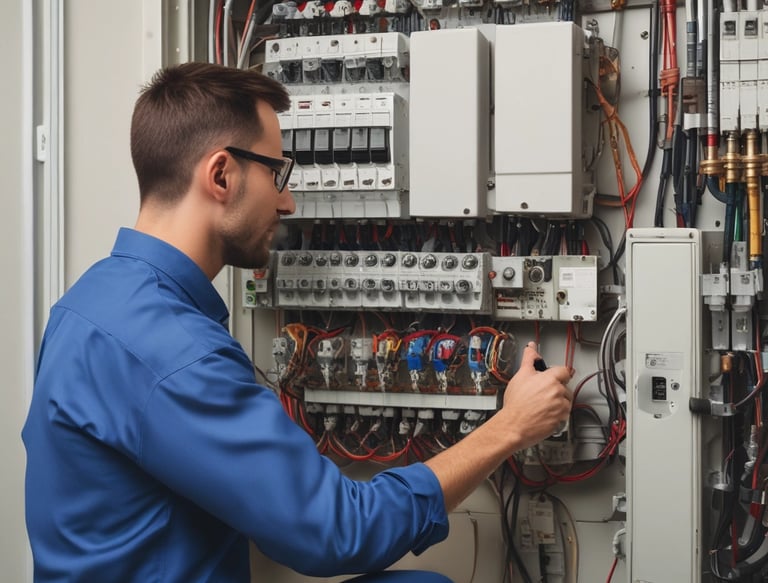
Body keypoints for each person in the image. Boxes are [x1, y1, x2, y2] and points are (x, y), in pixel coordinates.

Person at [22, 62, 573, 583]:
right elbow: (339, 532)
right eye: (277, 171)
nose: (287, 201)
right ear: (221, 174)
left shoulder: (86, 304)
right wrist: (510, 427)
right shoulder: (174, 353)